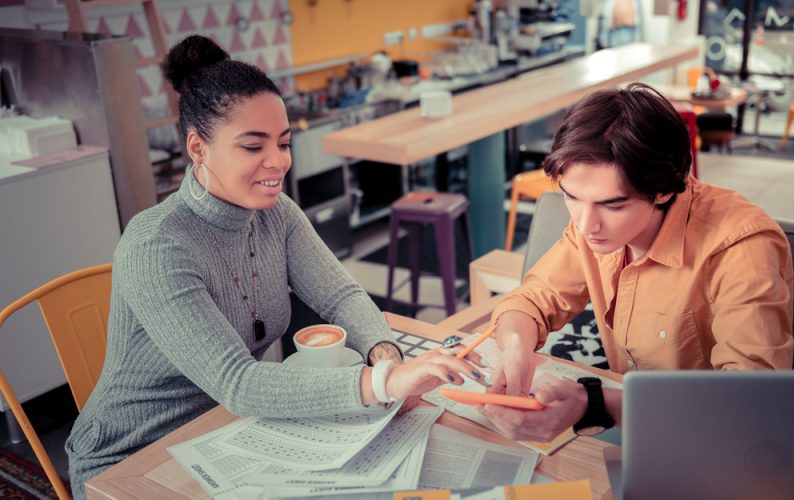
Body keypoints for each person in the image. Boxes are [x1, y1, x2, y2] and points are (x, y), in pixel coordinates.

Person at [65, 35, 484, 498]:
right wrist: (384, 383)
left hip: (223, 431)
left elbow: (341, 297)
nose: (278, 162)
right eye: (252, 146)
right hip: (132, 456)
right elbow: (239, 384)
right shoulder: (157, 245)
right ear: (198, 147)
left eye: (283, 143)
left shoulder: (275, 213)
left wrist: (385, 356)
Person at [480, 83, 793, 442]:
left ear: (663, 190)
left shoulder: (741, 247)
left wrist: (594, 405)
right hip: (630, 424)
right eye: (572, 197)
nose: (585, 224)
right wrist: (517, 349)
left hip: (711, 438)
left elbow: (750, 406)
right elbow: (531, 301)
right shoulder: (593, 223)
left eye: (613, 206)